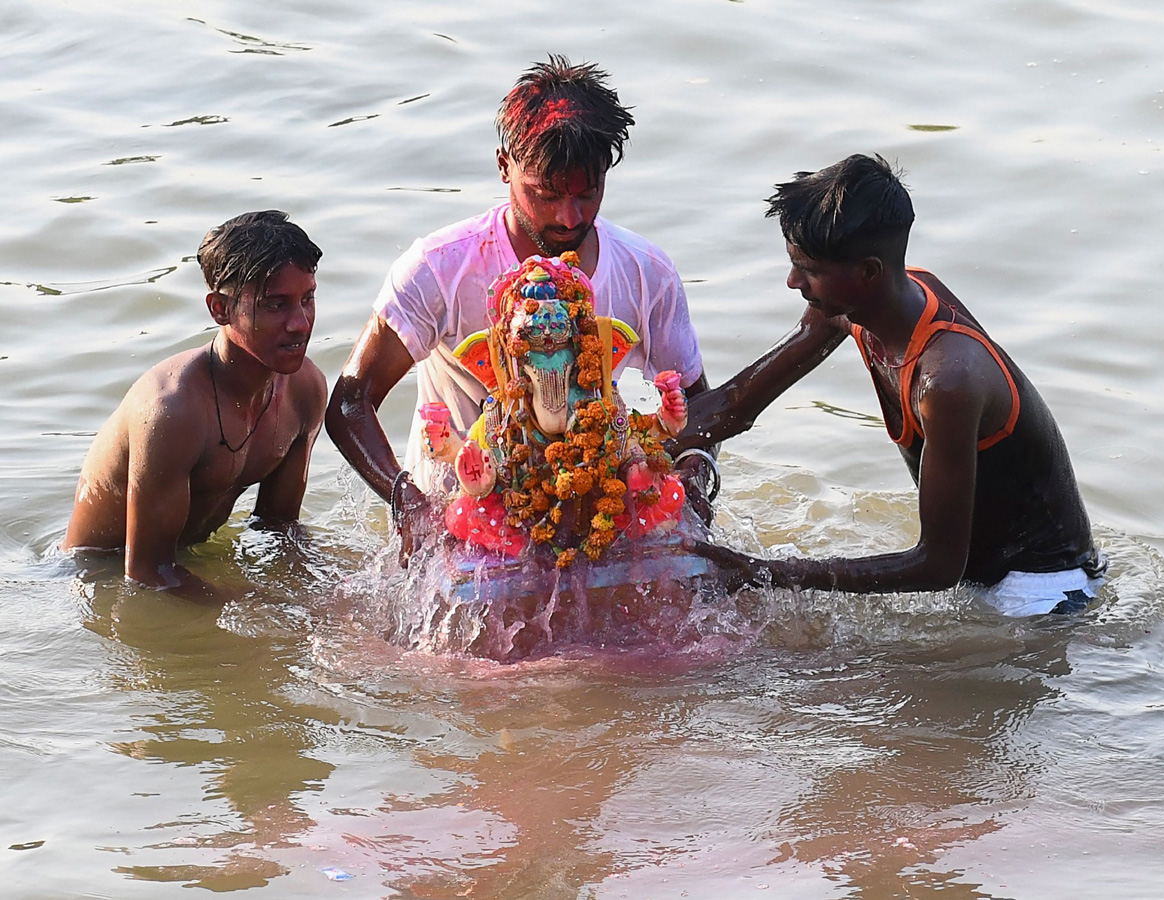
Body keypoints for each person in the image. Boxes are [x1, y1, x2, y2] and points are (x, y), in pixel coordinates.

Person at [680, 154, 1104, 616]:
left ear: (868, 272)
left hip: (1042, 590)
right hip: (978, 573)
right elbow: (738, 405)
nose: (792, 281)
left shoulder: (948, 380)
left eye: (809, 269)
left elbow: (937, 566)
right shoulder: (852, 306)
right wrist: (628, 447)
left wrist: (764, 573)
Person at [326, 55, 712, 545]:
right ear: (504, 166)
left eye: (587, 194)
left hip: (589, 517)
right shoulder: (440, 268)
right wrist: (409, 503)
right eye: (545, 194)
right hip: (461, 523)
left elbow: (702, 411)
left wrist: (695, 489)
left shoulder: (646, 273)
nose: (569, 218)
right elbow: (349, 403)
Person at [62, 211, 327, 596]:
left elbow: (278, 530)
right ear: (220, 309)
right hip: (93, 575)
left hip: (182, 563)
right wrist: (263, 608)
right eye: (275, 304)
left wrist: (328, 592)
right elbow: (147, 573)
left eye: (308, 298)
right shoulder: (172, 410)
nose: (301, 323)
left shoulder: (306, 391)